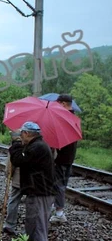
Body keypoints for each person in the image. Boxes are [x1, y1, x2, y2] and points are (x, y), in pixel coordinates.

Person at [9, 121, 56, 241]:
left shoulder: (37, 147)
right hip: (39, 191)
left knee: (37, 228)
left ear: (27, 133)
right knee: (33, 226)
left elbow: (18, 160)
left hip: (39, 193)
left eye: (22, 134)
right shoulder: (38, 145)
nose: (21, 136)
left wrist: (15, 142)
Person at [50, 94, 78, 223]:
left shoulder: (64, 118)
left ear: (63, 104)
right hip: (69, 158)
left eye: (58, 103)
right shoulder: (74, 118)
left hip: (62, 158)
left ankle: (59, 213)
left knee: (59, 185)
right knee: (62, 184)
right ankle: (54, 205)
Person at [3, 130, 23, 236]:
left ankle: (9, 224)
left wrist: (8, 175)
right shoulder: (31, 144)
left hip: (18, 179)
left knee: (14, 200)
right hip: (31, 180)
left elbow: (10, 164)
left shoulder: (14, 147)